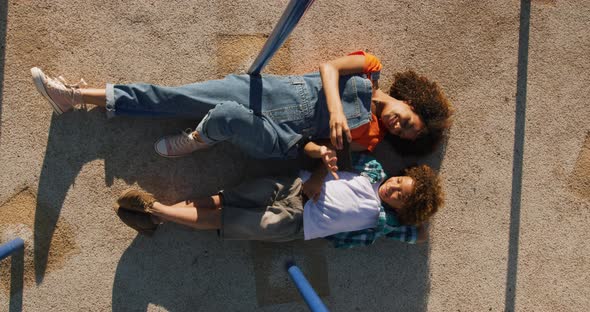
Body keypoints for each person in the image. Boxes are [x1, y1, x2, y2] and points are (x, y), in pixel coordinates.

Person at [30, 51, 453, 167]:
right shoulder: (370, 69)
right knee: (171, 97)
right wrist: (338, 112)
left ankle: (199, 139)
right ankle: (76, 97)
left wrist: (326, 153)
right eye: (409, 121)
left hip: (277, 136)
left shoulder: (372, 139)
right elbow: (328, 68)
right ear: (412, 103)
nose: (397, 127)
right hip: (263, 92)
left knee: (229, 122)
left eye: (403, 135)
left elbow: (314, 151)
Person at [114, 152, 444, 247]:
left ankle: (154, 208)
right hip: (291, 186)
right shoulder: (371, 170)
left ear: (402, 209)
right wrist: (319, 172)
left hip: (297, 223)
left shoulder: (381, 222)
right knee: (223, 199)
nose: (395, 187)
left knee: (225, 218)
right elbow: (335, 155)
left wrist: (419, 222)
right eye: (401, 180)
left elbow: (415, 232)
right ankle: (158, 217)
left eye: (401, 196)